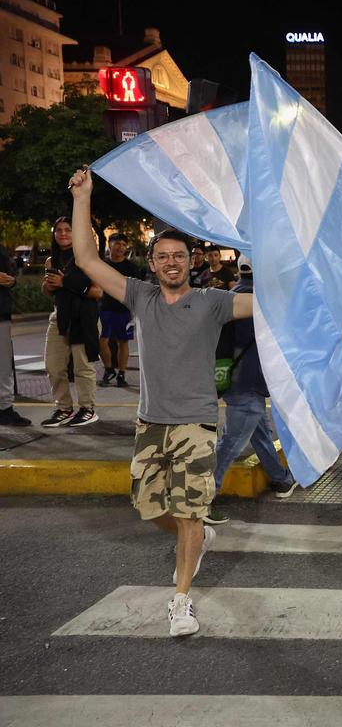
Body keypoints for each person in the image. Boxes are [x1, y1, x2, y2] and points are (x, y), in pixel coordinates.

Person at [68, 167, 253, 638]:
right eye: (163, 256)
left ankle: (182, 600)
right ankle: (200, 539)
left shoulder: (213, 302)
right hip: (150, 423)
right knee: (150, 508)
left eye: (180, 256)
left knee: (189, 511)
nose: (172, 263)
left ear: (192, 262)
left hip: (196, 423)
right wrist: (84, 196)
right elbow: (87, 258)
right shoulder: (140, 295)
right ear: (151, 264)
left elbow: (273, 303)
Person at [210, 254, 298, 520]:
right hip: (249, 382)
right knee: (231, 443)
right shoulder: (261, 303)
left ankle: (280, 478)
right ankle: (201, 496)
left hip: (231, 378)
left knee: (259, 431)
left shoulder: (231, 297)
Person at [40, 216, 102, 428]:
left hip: (83, 316)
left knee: (83, 366)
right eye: (59, 230)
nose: (63, 233)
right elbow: (47, 290)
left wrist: (65, 281)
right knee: (53, 365)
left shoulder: (86, 257)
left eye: (68, 229)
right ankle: (64, 408)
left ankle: (87, 409)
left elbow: (98, 292)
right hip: (59, 316)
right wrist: (49, 286)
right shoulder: (51, 260)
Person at [98, 233, 143, 388]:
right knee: (101, 340)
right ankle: (109, 370)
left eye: (124, 245)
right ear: (110, 244)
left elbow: (136, 290)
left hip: (124, 310)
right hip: (104, 309)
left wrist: (134, 310)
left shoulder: (131, 268)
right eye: (117, 243)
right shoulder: (101, 265)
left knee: (123, 342)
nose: (120, 247)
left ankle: (121, 374)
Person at [0, 245, 29, 426]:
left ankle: (5, 408)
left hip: (1, 313)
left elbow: (11, 275)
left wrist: (10, 281)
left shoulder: (2, 250)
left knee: (3, 365)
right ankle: (5, 408)